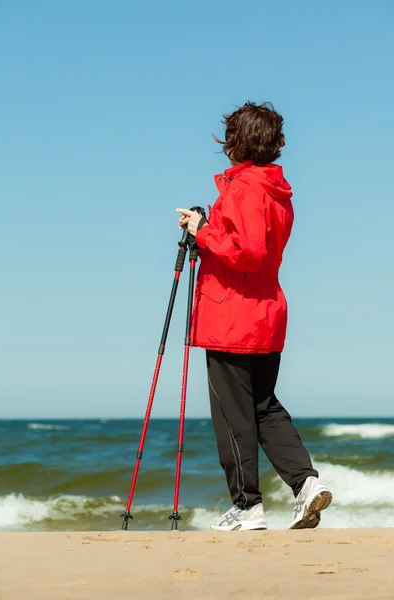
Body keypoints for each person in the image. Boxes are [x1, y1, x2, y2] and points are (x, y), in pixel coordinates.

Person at [176, 101, 332, 531]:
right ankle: (305, 485)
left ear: (237, 141)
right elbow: (252, 243)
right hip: (264, 312)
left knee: (233, 414)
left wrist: (201, 232)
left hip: (231, 315)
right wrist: (209, 226)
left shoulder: (244, 189)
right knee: (263, 406)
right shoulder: (275, 192)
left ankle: (247, 506)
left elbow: (248, 251)